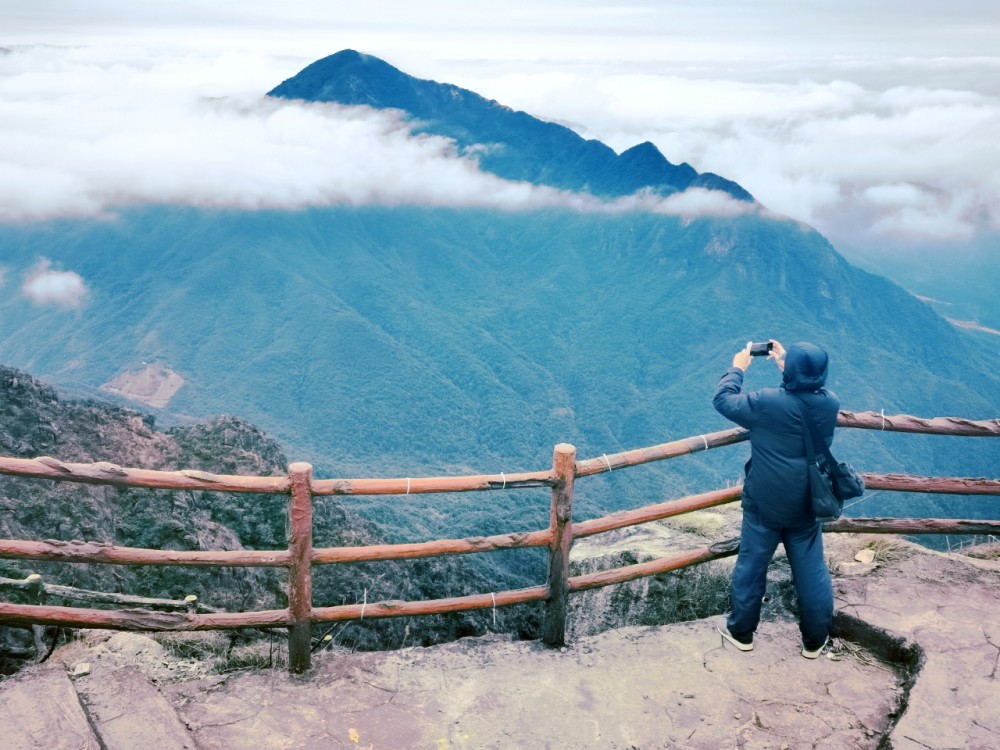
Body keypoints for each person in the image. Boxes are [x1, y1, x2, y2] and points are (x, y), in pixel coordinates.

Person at [712, 339, 838, 658]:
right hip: (806, 502)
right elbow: (805, 395)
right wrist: (788, 365)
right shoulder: (829, 404)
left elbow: (724, 400)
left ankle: (742, 633)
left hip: (763, 501)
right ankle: (814, 639)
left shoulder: (766, 402)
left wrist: (738, 367)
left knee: (752, 565)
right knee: (811, 570)